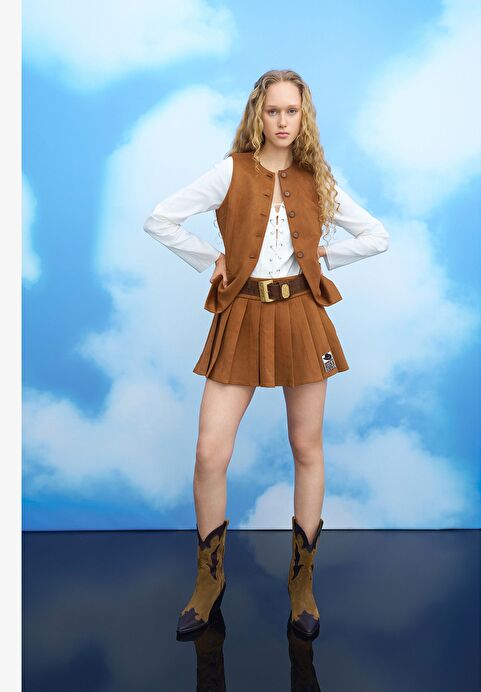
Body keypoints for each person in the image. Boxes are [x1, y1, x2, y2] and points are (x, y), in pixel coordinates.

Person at [143, 69, 389, 639]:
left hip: (302, 315)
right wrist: (210, 259)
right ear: (259, 113)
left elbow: (377, 236)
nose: (282, 121)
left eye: (292, 111)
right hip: (243, 314)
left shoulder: (317, 177)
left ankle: (302, 584)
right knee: (210, 453)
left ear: (305, 116)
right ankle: (210, 579)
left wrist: (326, 255)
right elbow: (160, 219)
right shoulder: (229, 171)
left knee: (306, 446)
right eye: (273, 110)